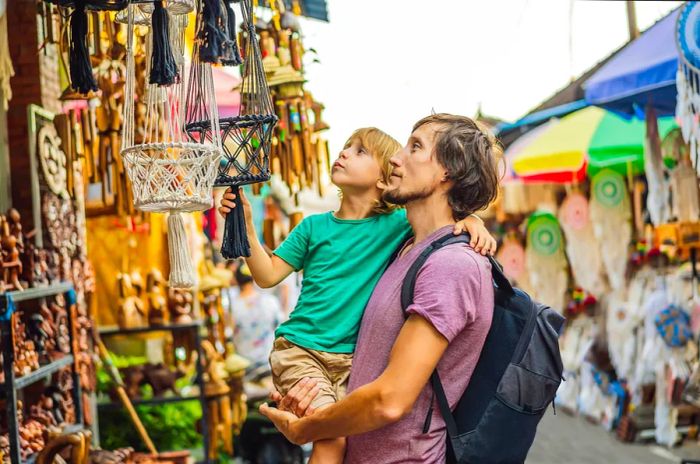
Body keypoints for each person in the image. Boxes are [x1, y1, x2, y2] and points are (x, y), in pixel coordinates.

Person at [219, 126, 497, 463]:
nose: (345, 152)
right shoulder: (314, 227)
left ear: (382, 180)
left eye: (360, 151)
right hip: (302, 349)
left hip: (348, 363)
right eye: (347, 146)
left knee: (331, 433)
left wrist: (471, 222)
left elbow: (443, 219)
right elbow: (267, 275)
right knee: (332, 438)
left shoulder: (399, 228)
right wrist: (246, 226)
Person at [227, 261, 285, 371]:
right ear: (253, 278)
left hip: (244, 365)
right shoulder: (270, 301)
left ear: (237, 280)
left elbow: (229, 332)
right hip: (269, 363)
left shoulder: (233, 307)